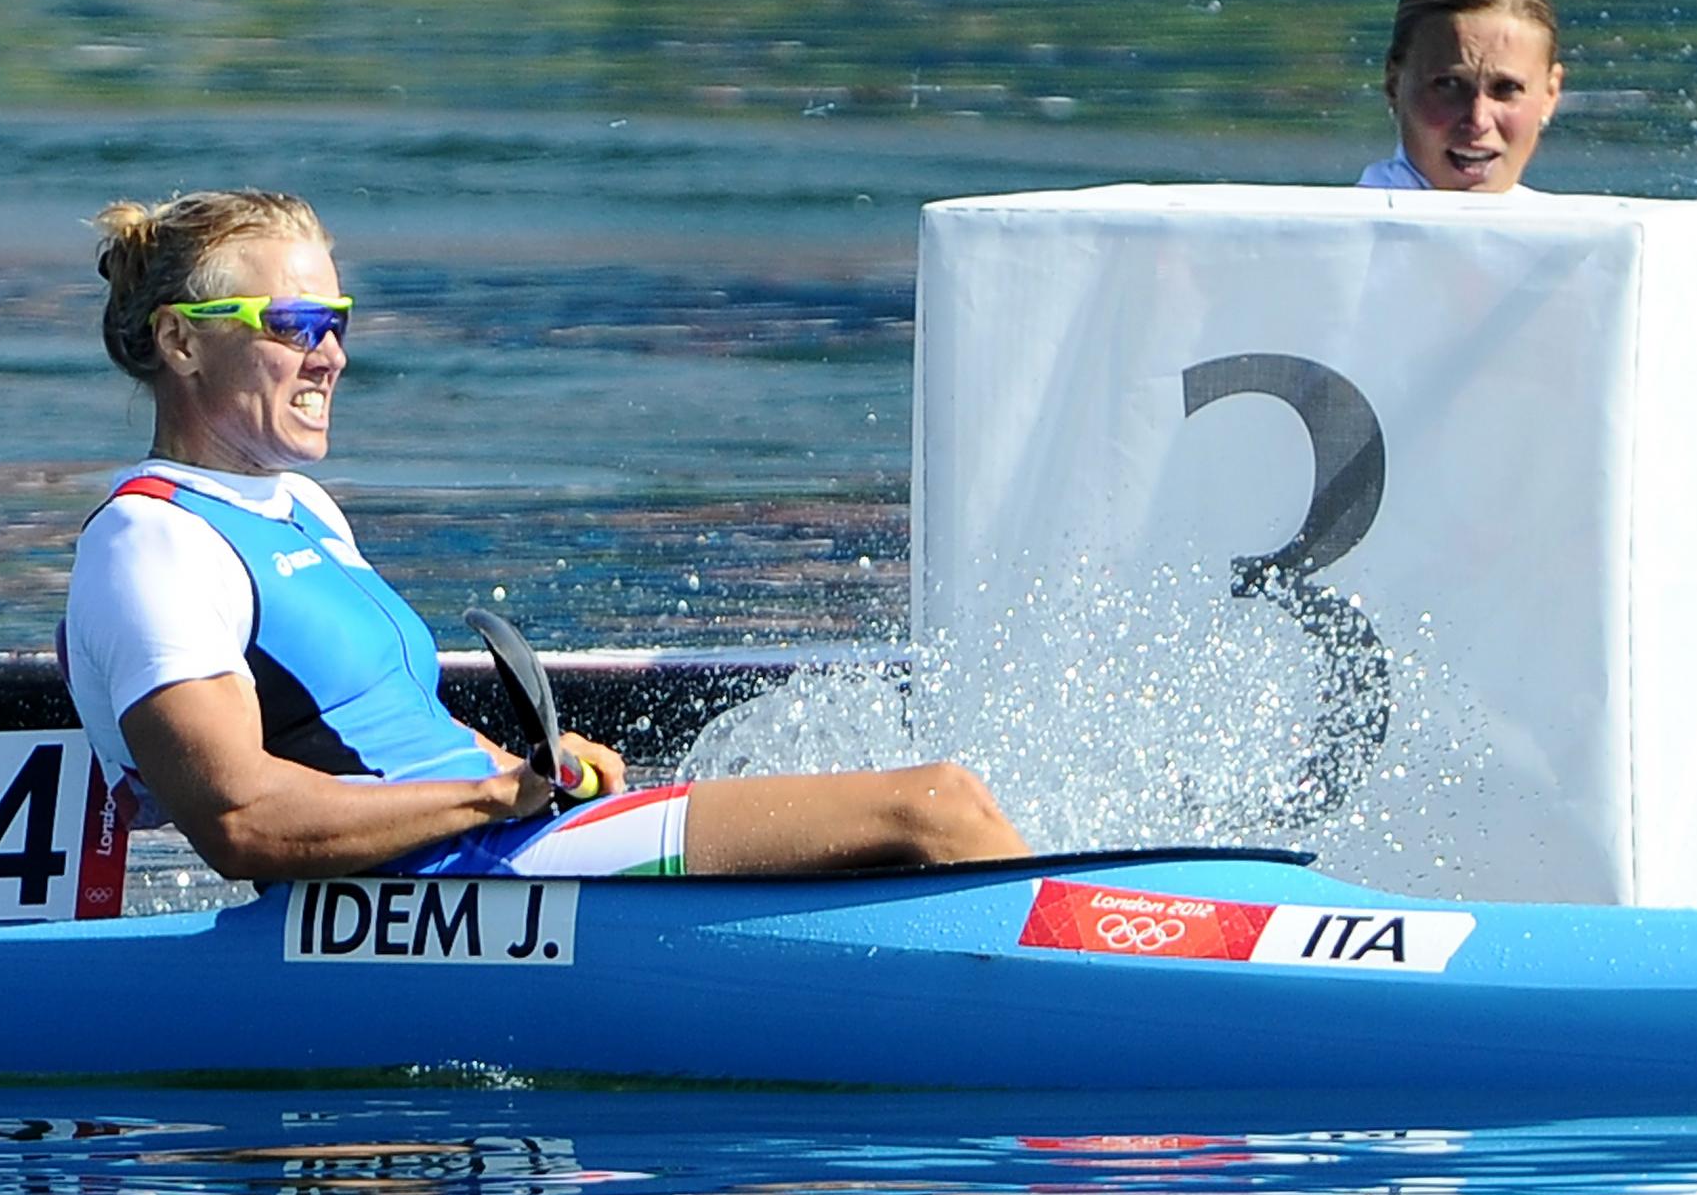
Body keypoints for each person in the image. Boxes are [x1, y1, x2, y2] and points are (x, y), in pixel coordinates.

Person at [62, 188, 1031, 883]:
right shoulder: (152, 543)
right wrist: (492, 801)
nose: (333, 353)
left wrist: (517, 765)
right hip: (448, 876)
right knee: (934, 805)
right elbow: (242, 821)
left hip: (496, 848)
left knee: (920, 823)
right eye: (297, 322)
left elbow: (372, 733)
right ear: (183, 342)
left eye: (340, 321)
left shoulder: (302, 510)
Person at [1358, 0, 1565, 195]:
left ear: (1550, 94)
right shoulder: (1333, 231)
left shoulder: (1578, 229)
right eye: (1449, 85)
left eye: (1506, 88)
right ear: (1394, 85)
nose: (1478, 120)